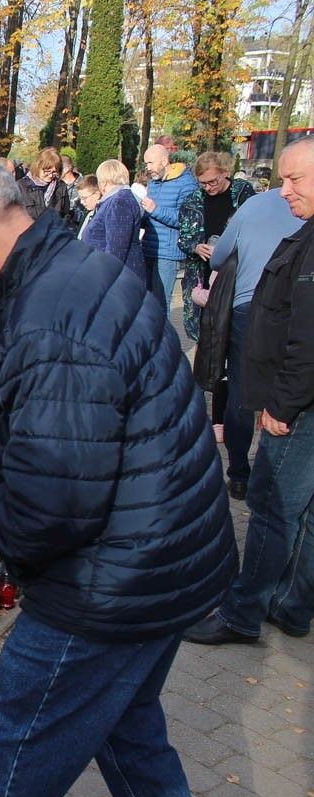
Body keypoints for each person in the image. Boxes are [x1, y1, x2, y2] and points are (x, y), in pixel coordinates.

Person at [0, 151, 236, 797]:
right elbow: (85, 429)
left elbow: (47, 514)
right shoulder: (66, 271)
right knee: (131, 741)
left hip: (109, 589)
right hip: (163, 559)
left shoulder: (50, 316)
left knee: (3, 773)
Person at [183, 138, 314, 643]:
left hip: (298, 405)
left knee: (273, 504)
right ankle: (293, 606)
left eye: (294, 180)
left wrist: (281, 404)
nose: (283, 191)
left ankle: (241, 615)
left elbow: (306, 338)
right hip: (296, 395)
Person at [199, 188, 304, 501]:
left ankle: (240, 474)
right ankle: (283, 479)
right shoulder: (301, 211)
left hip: (250, 306)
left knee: (243, 392)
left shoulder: (253, 205)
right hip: (297, 309)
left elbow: (218, 257)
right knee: (292, 389)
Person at [178, 151, 255, 343]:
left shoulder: (243, 194)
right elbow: (183, 238)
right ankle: (203, 372)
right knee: (203, 334)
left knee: (231, 331)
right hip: (201, 273)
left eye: (212, 181)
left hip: (234, 271)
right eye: (203, 183)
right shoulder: (192, 200)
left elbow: (254, 229)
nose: (208, 187)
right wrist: (195, 247)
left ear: (225, 172)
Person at [141, 143, 199, 306]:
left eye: (151, 163)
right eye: (146, 164)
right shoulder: (153, 183)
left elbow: (186, 220)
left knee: (160, 304)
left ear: (165, 160)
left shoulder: (186, 183)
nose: (148, 168)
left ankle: (162, 333)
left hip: (168, 254)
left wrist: (155, 210)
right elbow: (149, 215)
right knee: (146, 303)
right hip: (148, 249)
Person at [81, 159, 146, 283]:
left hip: (119, 276)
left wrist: (106, 276)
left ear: (104, 182)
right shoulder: (116, 199)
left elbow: (116, 247)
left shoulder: (119, 201)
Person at [16, 147, 71, 223]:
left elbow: (65, 215)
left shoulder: (61, 187)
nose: (51, 175)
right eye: (47, 171)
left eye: (54, 172)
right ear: (38, 166)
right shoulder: (21, 186)